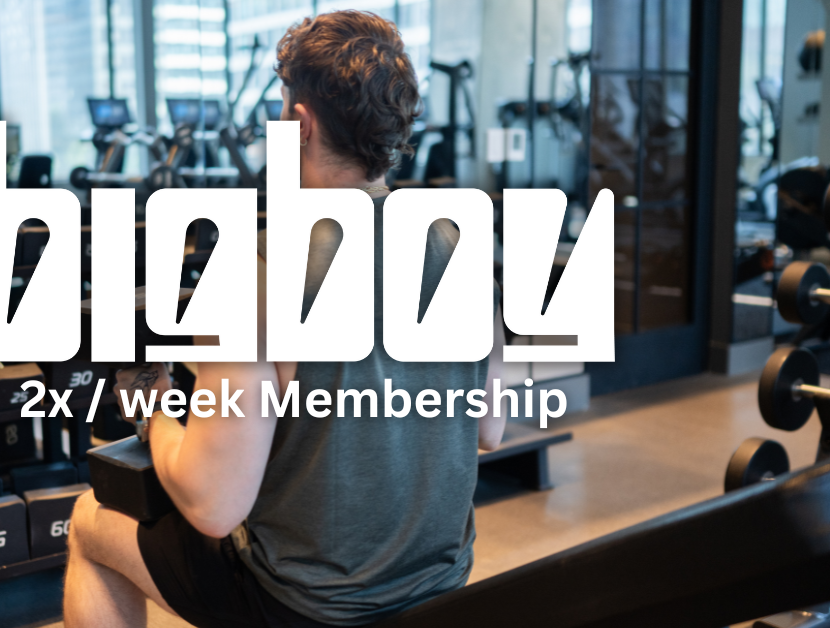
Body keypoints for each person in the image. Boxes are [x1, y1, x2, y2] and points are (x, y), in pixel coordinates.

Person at [63, 11, 506, 628]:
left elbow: (215, 505)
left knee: (89, 523)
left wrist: (157, 416)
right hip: (443, 588)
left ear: (300, 124)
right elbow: (490, 428)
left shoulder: (256, 273)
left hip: (305, 608)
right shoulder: (461, 248)